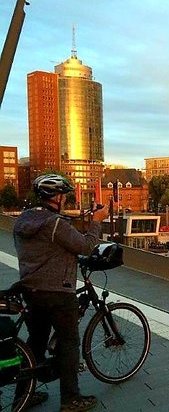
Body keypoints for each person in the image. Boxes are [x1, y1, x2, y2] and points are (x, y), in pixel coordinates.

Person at [13, 174, 109, 412]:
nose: (65, 199)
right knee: (69, 342)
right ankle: (71, 399)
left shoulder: (23, 220)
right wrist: (96, 221)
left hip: (30, 289)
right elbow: (86, 246)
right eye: (63, 195)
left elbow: (47, 248)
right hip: (58, 291)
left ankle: (23, 396)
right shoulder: (55, 224)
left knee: (35, 342)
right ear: (55, 197)